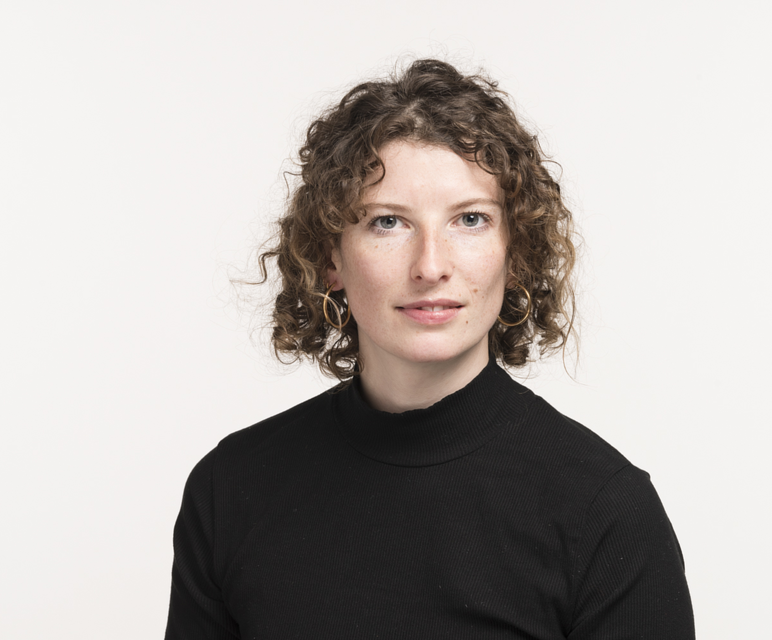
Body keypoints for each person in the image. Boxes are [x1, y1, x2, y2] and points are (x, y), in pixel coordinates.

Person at [165, 60, 695, 639]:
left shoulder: (606, 511)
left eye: (470, 219)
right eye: (388, 223)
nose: (430, 266)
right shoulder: (231, 489)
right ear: (329, 257)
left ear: (515, 252)